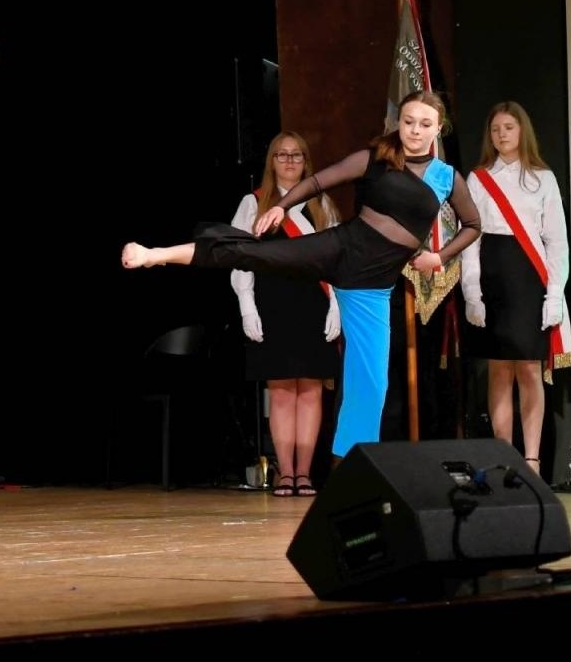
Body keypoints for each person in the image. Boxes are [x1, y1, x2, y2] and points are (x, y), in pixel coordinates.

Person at [122, 91, 480, 457]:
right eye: (408, 122)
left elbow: (472, 225)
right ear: (397, 123)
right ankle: (159, 254)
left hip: (371, 285)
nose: (415, 130)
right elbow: (318, 182)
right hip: (341, 248)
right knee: (253, 252)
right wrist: (281, 206)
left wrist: (438, 257)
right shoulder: (375, 159)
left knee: (371, 383)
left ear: (439, 128)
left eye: (424, 124)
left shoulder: (447, 178)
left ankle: (353, 461)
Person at [459, 101, 568, 476]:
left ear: (522, 131)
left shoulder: (543, 178)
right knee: (499, 370)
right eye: (495, 129)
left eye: (508, 127)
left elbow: (556, 241)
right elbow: (470, 240)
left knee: (529, 370)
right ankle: (504, 457)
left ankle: (532, 459)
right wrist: (472, 290)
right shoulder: (478, 178)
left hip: (528, 278)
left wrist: (554, 293)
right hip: (492, 276)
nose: (502, 134)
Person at [231, 132, 342, 497]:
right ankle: (286, 472)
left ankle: (305, 474)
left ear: (306, 161)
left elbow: (338, 259)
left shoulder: (321, 202)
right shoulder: (255, 203)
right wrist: (247, 306)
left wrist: (336, 306)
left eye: (296, 155)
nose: (289, 161)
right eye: (282, 155)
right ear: (271, 161)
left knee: (310, 389)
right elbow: (238, 258)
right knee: (280, 391)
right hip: (271, 301)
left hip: (313, 301)